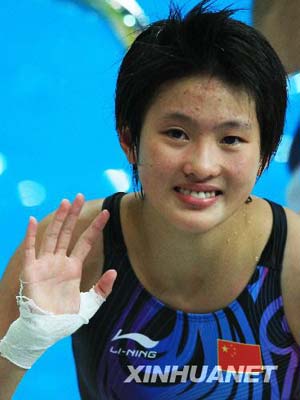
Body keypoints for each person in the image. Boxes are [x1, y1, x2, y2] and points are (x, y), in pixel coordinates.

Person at [1, 1, 300, 398]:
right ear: (129, 139)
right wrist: (24, 341)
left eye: (231, 139)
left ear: (264, 152)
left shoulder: (293, 265)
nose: (202, 165)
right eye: (177, 133)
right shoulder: (72, 250)